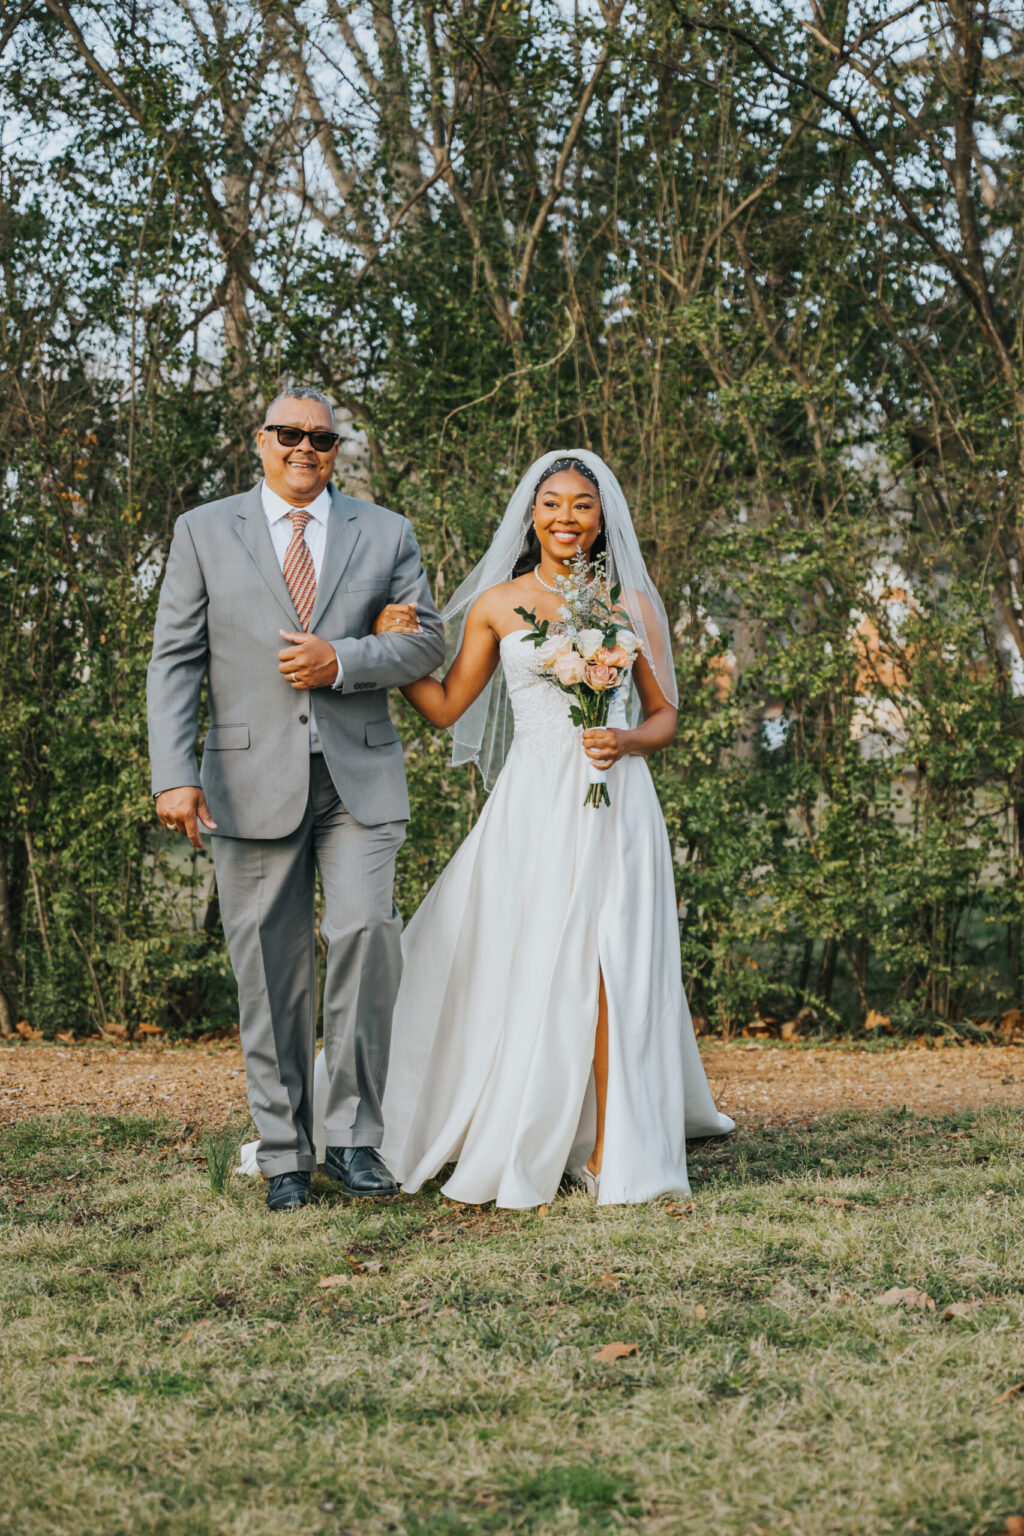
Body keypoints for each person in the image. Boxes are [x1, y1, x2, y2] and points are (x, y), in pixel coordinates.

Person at [248, 448, 733, 1206]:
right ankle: (504, 1119)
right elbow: (445, 706)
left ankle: (611, 1148)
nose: (566, 519)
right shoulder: (499, 605)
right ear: (532, 516)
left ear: (602, 517)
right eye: (552, 505)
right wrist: (395, 647)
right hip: (534, 806)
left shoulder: (633, 606)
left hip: (617, 805)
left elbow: (666, 714)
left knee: (612, 966)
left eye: (581, 506)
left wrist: (627, 740)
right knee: (525, 958)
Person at [147, 386, 446, 1211]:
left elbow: (426, 639)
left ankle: (355, 1142)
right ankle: (285, 1154)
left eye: (321, 436)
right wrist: (172, 772)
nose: (305, 447)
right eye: (289, 434)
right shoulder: (204, 531)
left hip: (360, 778)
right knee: (269, 969)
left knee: (363, 937)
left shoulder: (385, 533)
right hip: (245, 781)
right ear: (261, 441)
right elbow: (174, 659)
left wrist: (341, 660)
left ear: (337, 447)